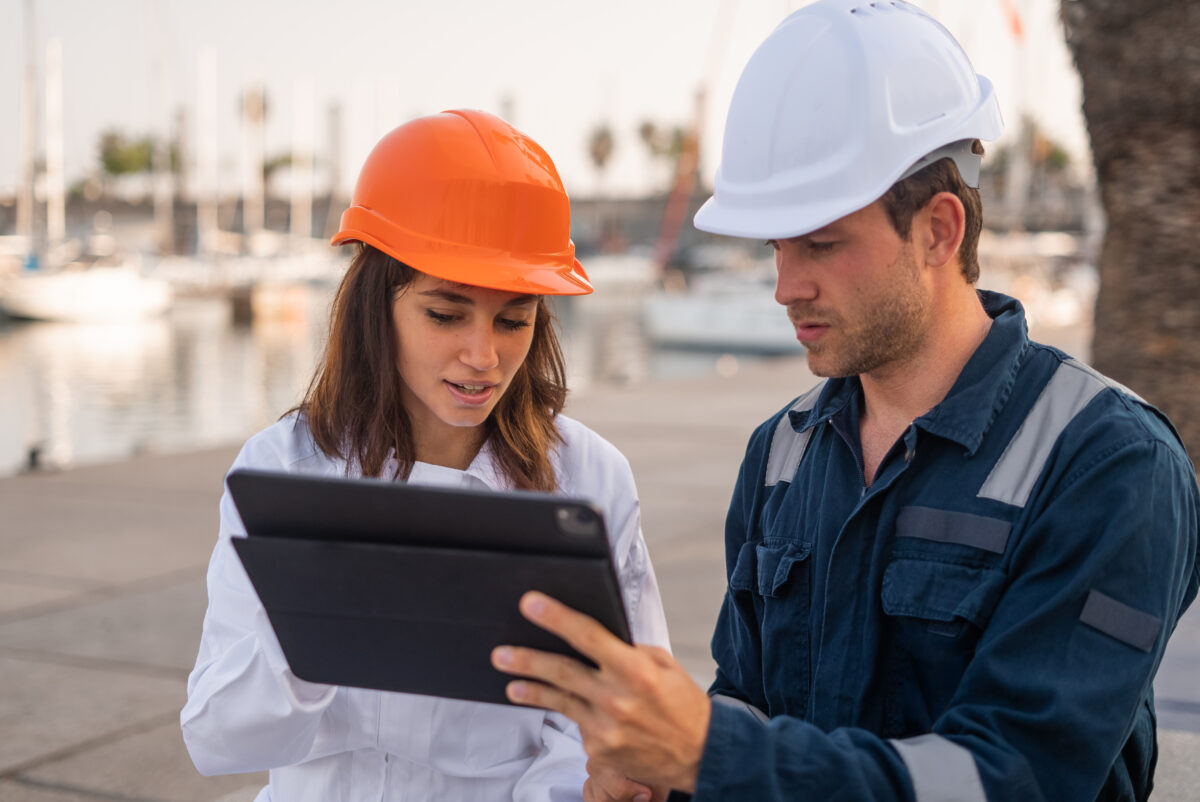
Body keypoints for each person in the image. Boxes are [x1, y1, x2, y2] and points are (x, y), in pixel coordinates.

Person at [491, 2, 1200, 800]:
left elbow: (1018, 777)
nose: (786, 288)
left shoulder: (1112, 464)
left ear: (939, 229)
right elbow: (752, 711)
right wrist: (665, 774)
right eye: (776, 249)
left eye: (822, 244)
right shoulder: (781, 452)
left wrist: (709, 754)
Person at [180, 109, 671, 801]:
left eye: (513, 319)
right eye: (445, 314)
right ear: (375, 306)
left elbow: (609, 733)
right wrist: (315, 626)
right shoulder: (281, 470)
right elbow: (217, 739)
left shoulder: (591, 481)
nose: (483, 356)